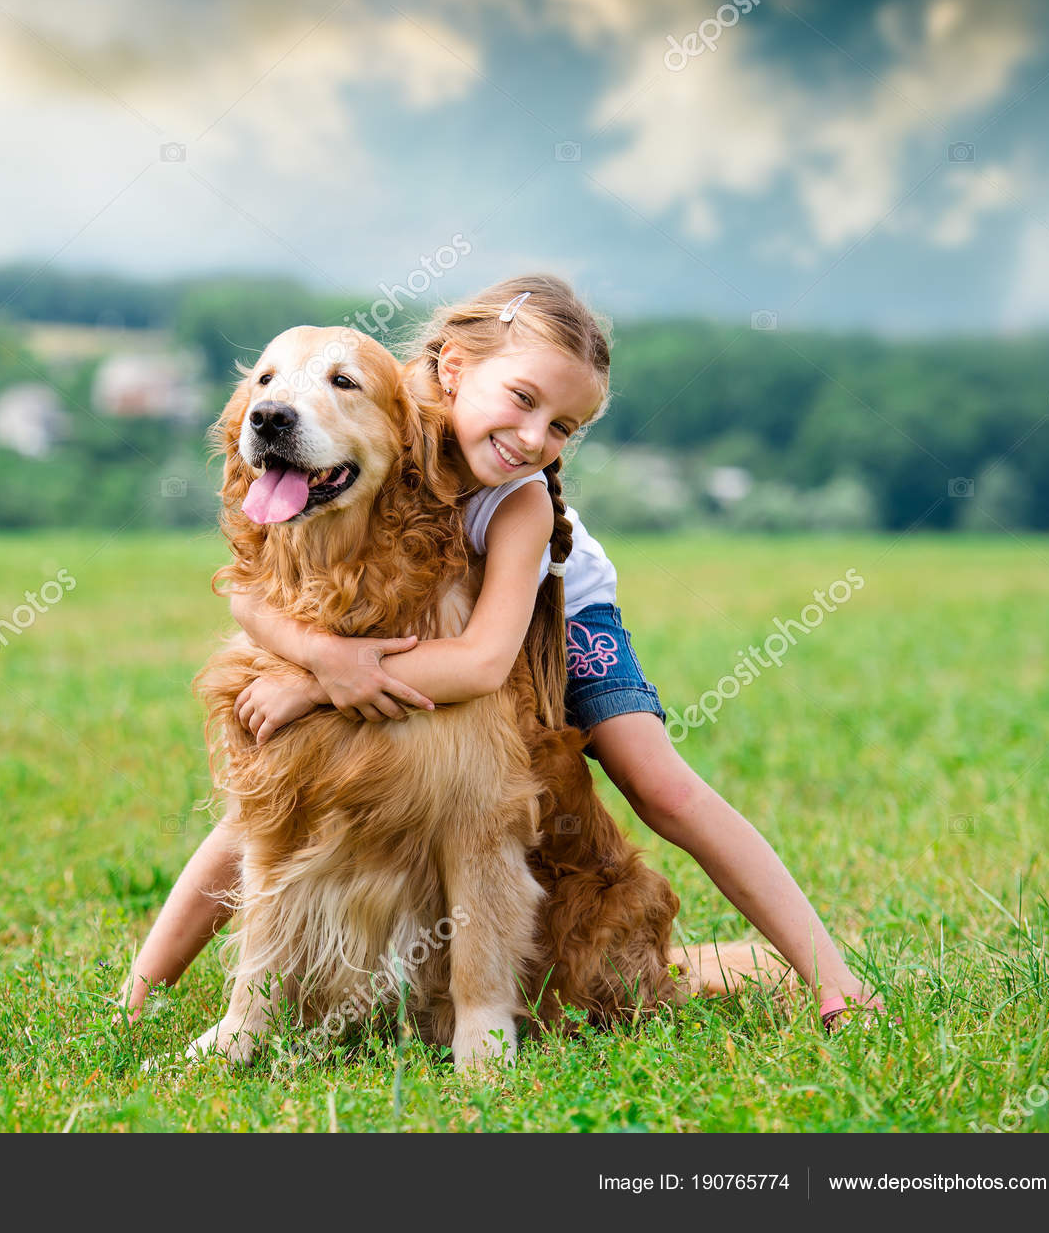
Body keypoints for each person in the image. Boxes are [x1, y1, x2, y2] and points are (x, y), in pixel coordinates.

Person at [124, 275, 883, 1034]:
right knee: (276, 790)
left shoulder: (521, 500)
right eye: (523, 399)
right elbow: (247, 586)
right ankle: (139, 993)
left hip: (553, 616)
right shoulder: (366, 414)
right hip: (398, 620)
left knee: (657, 785)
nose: (533, 438)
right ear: (452, 368)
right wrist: (320, 657)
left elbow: (483, 663)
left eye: (562, 427)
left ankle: (832, 980)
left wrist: (320, 684)